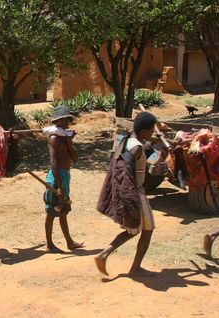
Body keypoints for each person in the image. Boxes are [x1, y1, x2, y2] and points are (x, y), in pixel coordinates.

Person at [95, 112, 158, 276]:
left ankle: (104, 254)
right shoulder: (136, 147)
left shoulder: (128, 141)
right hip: (136, 192)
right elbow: (128, 170)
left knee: (134, 230)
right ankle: (135, 268)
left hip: (133, 191)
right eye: (151, 130)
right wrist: (131, 200)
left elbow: (136, 158)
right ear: (144, 131)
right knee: (148, 229)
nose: (152, 133)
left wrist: (150, 145)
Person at [43, 105, 83, 253]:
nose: (65, 122)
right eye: (62, 120)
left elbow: (75, 159)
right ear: (56, 122)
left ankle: (69, 242)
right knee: (52, 213)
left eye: (67, 119)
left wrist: (69, 143)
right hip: (56, 178)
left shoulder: (66, 138)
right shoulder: (54, 139)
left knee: (64, 210)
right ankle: (49, 244)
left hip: (65, 176)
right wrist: (58, 186)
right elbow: (53, 162)